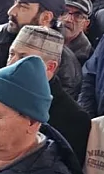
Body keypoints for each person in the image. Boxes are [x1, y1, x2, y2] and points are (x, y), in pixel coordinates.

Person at [7, 26, 90, 166]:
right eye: (11, 54)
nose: (11, 63)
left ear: (50, 67)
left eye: (23, 58)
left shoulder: (74, 118)